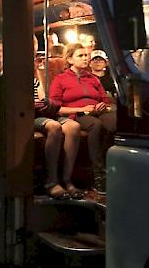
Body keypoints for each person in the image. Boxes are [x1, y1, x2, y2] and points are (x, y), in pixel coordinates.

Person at [49, 43, 116, 195]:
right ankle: (97, 174)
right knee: (95, 125)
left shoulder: (92, 78)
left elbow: (105, 99)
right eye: (81, 55)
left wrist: (102, 106)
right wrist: (81, 109)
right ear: (70, 59)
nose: (85, 58)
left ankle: (111, 166)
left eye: (86, 55)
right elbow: (55, 107)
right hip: (75, 114)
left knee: (115, 122)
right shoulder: (61, 79)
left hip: (96, 111)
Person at [32, 36, 82, 199]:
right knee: (54, 127)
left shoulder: (35, 76)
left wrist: (47, 101)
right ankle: (51, 181)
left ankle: (67, 179)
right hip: (30, 115)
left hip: (42, 111)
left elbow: (42, 97)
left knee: (74, 127)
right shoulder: (13, 74)